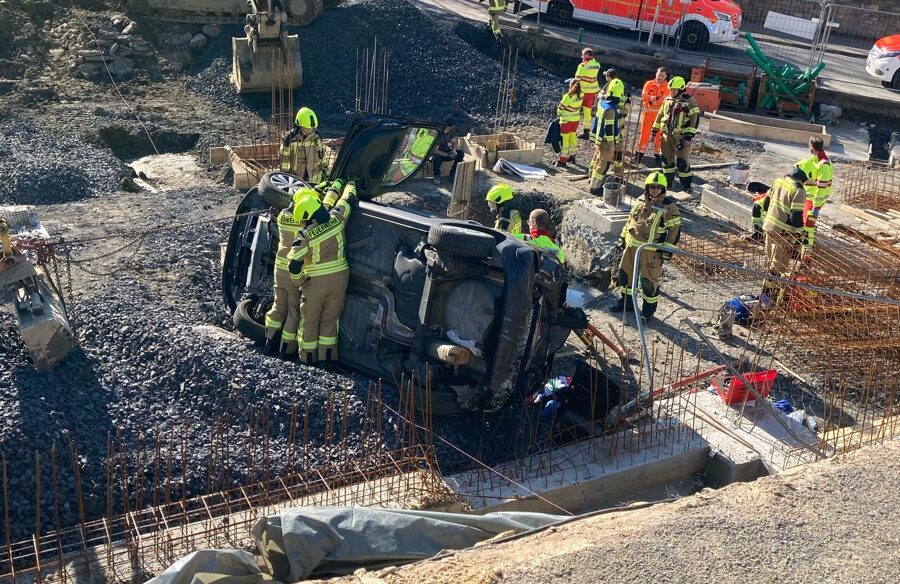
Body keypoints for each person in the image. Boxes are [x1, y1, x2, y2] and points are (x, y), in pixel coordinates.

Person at [263, 181, 343, 358]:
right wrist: (334, 188)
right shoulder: (305, 224)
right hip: (294, 273)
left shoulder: (283, 216)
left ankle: (269, 342)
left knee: (278, 306)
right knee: (294, 311)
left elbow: (306, 203)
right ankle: (286, 350)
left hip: (279, 271)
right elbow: (325, 208)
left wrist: (317, 189)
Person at [287, 181, 358, 365]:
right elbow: (348, 199)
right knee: (330, 320)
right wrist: (349, 183)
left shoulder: (305, 236)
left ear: (308, 217)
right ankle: (326, 360)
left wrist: (299, 280)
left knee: (309, 321)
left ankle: (308, 359)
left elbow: (294, 263)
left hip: (315, 283)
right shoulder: (337, 218)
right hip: (341, 278)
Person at [609, 172, 681, 322]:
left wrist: (668, 250)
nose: (655, 190)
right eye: (652, 187)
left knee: (649, 283)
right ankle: (627, 303)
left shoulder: (668, 206)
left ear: (663, 189)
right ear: (647, 187)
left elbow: (674, 230)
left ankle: (648, 312)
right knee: (625, 275)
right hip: (631, 247)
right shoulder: (640, 200)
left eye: (658, 187)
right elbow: (631, 220)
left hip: (651, 251)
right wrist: (623, 237)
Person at [651, 76, 700, 192]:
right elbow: (660, 115)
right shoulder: (667, 100)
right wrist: (654, 130)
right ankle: (668, 184)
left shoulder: (689, 101)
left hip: (681, 138)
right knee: (666, 160)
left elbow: (695, 119)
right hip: (666, 136)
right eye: (671, 89)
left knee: (682, 162)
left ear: (681, 89)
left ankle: (686, 186)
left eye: (674, 90)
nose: (672, 92)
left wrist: (688, 137)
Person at [762, 164, 807, 282]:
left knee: (770, 258)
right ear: (802, 180)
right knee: (778, 265)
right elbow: (795, 217)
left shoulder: (777, 182)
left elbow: (766, 203)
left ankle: (768, 284)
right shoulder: (799, 190)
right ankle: (770, 289)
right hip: (782, 232)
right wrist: (802, 232)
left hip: (768, 225)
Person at [797, 136, 833, 250]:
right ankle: (800, 249)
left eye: (809, 145)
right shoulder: (816, 160)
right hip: (809, 198)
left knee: (808, 227)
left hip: (814, 201)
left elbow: (821, 188)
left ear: (811, 147)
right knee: (803, 224)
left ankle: (806, 254)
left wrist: (816, 207)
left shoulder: (824, 165)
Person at [587, 93, 622, 197]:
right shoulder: (611, 110)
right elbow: (609, 129)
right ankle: (595, 187)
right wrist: (612, 146)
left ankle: (591, 178)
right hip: (606, 141)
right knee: (604, 164)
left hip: (600, 138)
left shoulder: (602, 103)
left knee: (598, 160)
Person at [279, 107, 327, 183]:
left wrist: (325, 169)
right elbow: (284, 159)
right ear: (299, 125)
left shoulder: (317, 137)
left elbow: (322, 154)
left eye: (312, 128)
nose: (310, 130)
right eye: (307, 128)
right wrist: (284, 175)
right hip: (297, 178)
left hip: (314, 178)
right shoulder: (290, 139)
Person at [635, 67, 670, 166]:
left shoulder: (667, 87)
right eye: (659, 75)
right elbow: (644, 97)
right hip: (647, 114)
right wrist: (656, 98)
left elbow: (664, 100)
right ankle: (639, 155)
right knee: (644, 135)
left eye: (662, 76)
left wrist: (651, 100)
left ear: (666, 77)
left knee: (660, 136)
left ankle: (658, 156)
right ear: (656, 74)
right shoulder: (649, 84)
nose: (660, 77)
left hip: (660, 116)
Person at [574, 48, 601, 139]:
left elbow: (577, 79)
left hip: (581, 92)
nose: (582, 57)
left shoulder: (582, 65)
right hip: (591, 92)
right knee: (587, 112)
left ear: (586, 55)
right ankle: (586, 132)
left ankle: (573, 130)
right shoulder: (597, 65)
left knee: (575, 110)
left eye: (583, 55)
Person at [556, 79, 583, 167]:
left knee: (565, 140)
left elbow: (560, 109)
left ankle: (562, 160)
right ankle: (572, 156)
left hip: (566, 121)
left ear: (570, 86)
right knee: (572, 138)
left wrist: (558, 112)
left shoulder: (567, 97)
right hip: (575, 120)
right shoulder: (581, 95)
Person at [431, 117, 465, 186]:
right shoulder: (438, 134)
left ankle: (453, 174)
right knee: (436, 158)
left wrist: (454, 150)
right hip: (437, 154)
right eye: (453, 126)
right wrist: (447, 155)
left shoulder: (450, 131)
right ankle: (436, 176)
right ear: (450, 126)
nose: (453, 127)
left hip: (446, 151)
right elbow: (435, 151)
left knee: (460, 153)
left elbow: (454, 142)